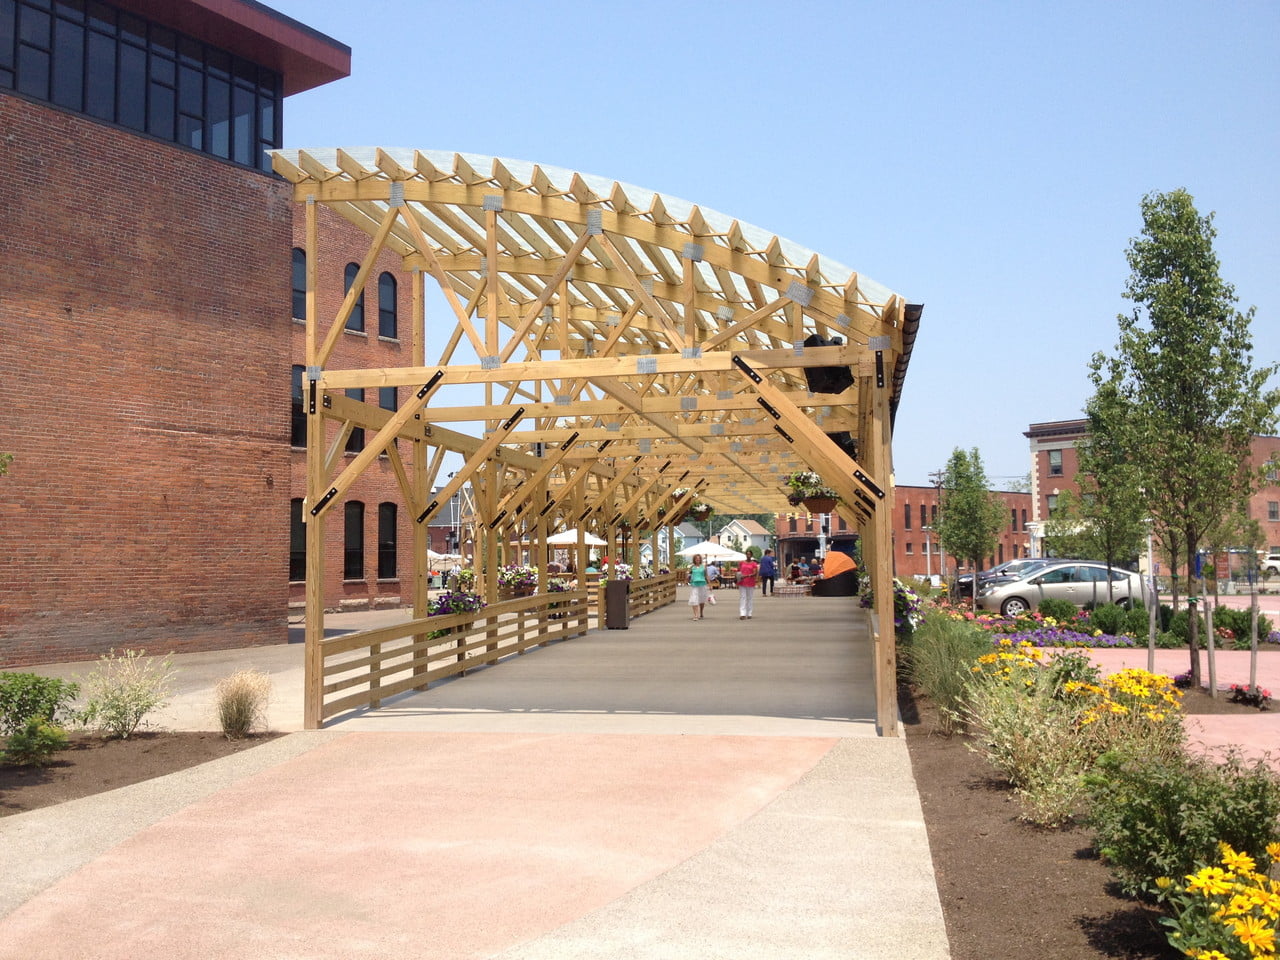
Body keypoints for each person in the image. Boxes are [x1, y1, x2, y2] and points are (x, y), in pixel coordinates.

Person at [737, 552, 760, 620]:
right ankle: (742, 613)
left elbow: (755, 573)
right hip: (742, 582)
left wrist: (748, 575)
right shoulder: (741, 563)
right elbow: (738, 571)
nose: (748, 555)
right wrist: (738, 578)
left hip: (750, 582)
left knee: (749, 597)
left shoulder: (754, 564)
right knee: (742, 597)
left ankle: (749, 613)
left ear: (751, 555)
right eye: (747, 554)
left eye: (749, 554)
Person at [687, 554, 709, 620]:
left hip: (702, 584)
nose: (698, 560)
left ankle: (701, 612)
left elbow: (706, 576)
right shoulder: (692, 567)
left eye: (699, 559)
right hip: (694, 585)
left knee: (701, 600)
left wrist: (710, 584)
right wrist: (688, 577)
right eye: (696, 559)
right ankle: (696, 615)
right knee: (694, 599)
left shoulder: (703, 567)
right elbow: (688, 575)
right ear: (694, 560)